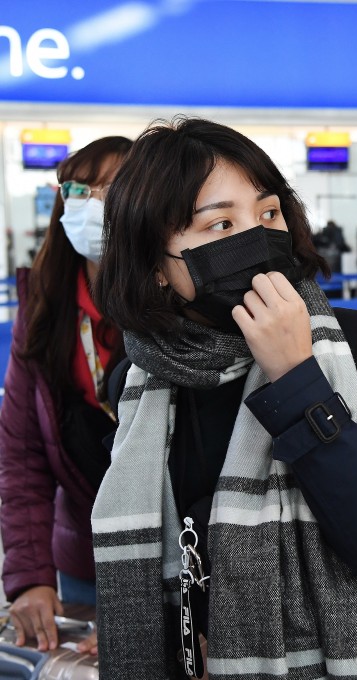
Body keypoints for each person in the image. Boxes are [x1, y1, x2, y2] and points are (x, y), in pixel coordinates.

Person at [92, 117, 357, 680]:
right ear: (157, 267)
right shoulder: (140, 387)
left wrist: (297, 378)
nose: (256, 239)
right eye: (221, 224)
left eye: (268, 214)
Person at [0, 135, 133, 655]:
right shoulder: (44, 309)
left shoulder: (176, 307)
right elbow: (22, 454)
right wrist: (31, 577)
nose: (91, 204)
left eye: (111, 189)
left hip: (176, 566)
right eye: (79, 190)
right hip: (83, 560)